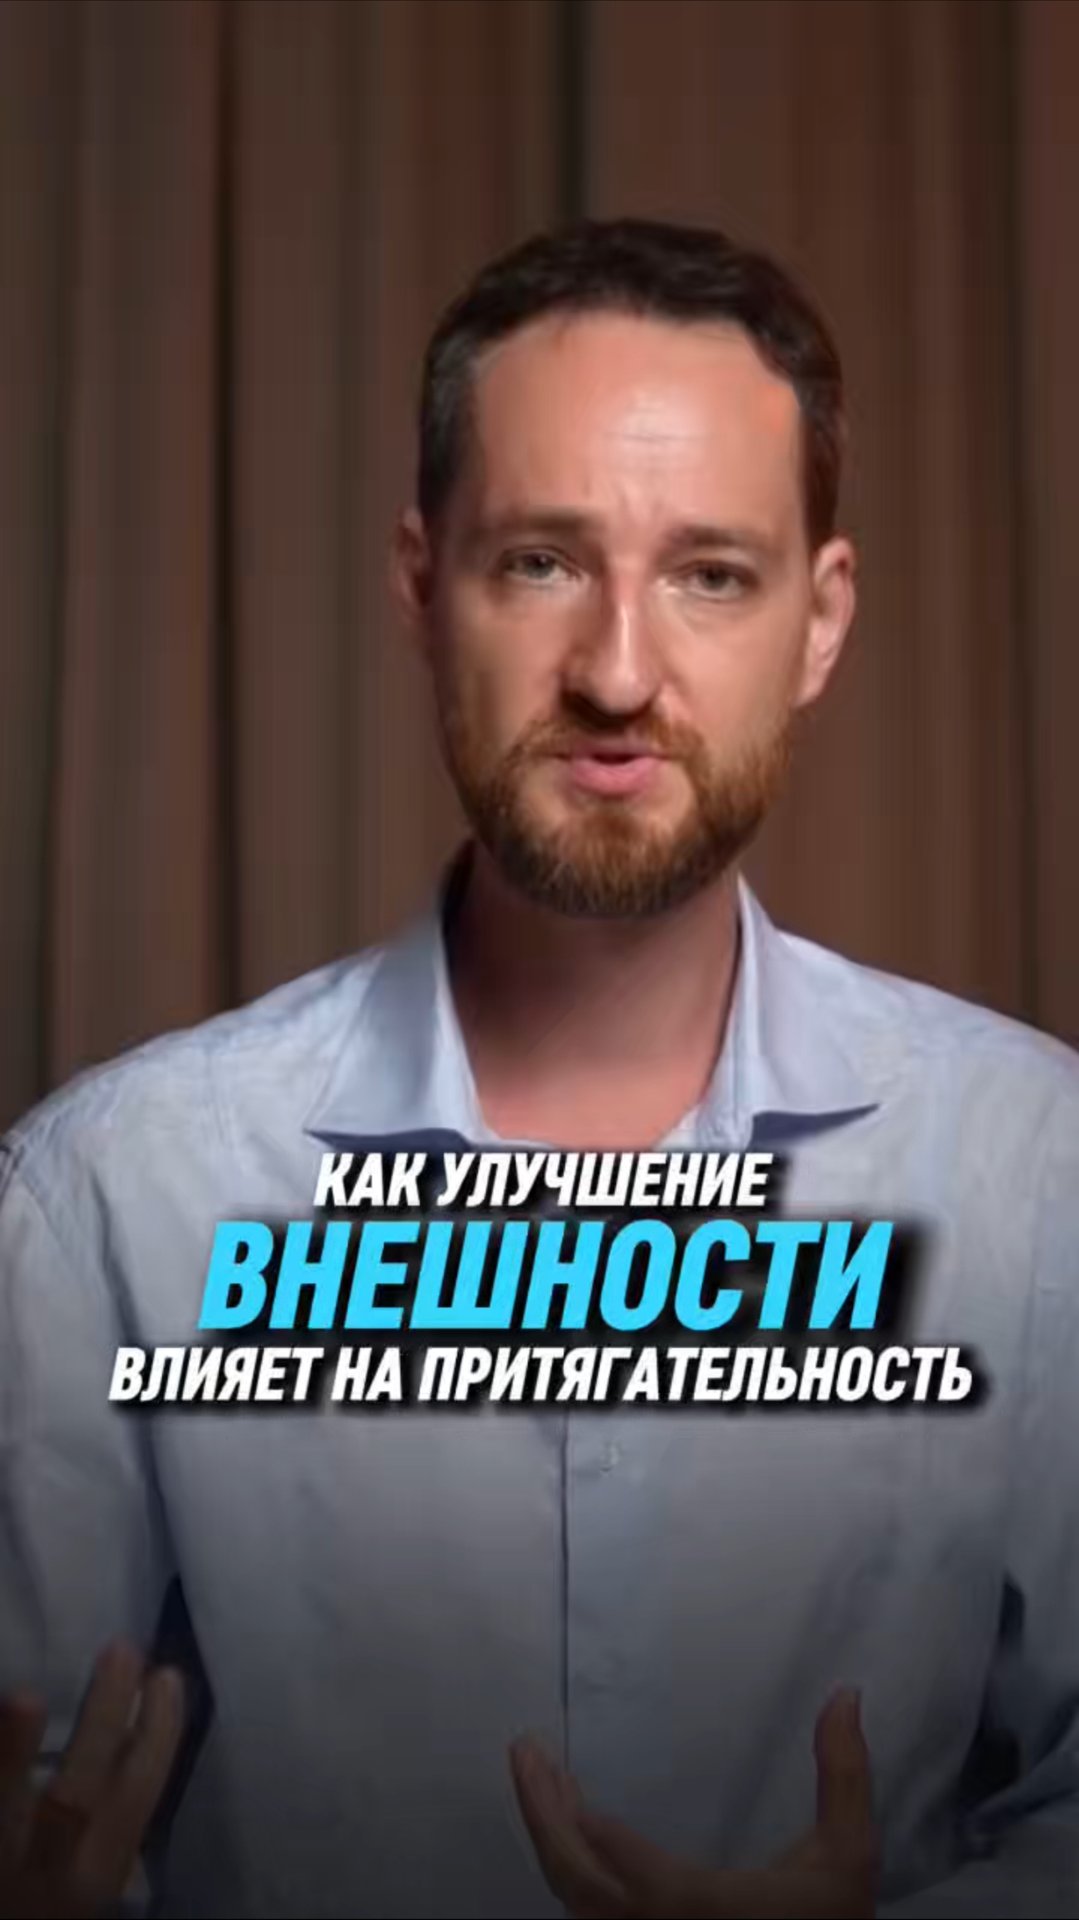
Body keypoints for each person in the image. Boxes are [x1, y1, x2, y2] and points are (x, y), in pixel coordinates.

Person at [0, 217, 1077, 1920]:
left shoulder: (1042, 1176)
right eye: (542, 563)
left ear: (820, 620)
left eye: (711, 574)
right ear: (422, 588)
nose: (619, 676)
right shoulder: (106, 1204)